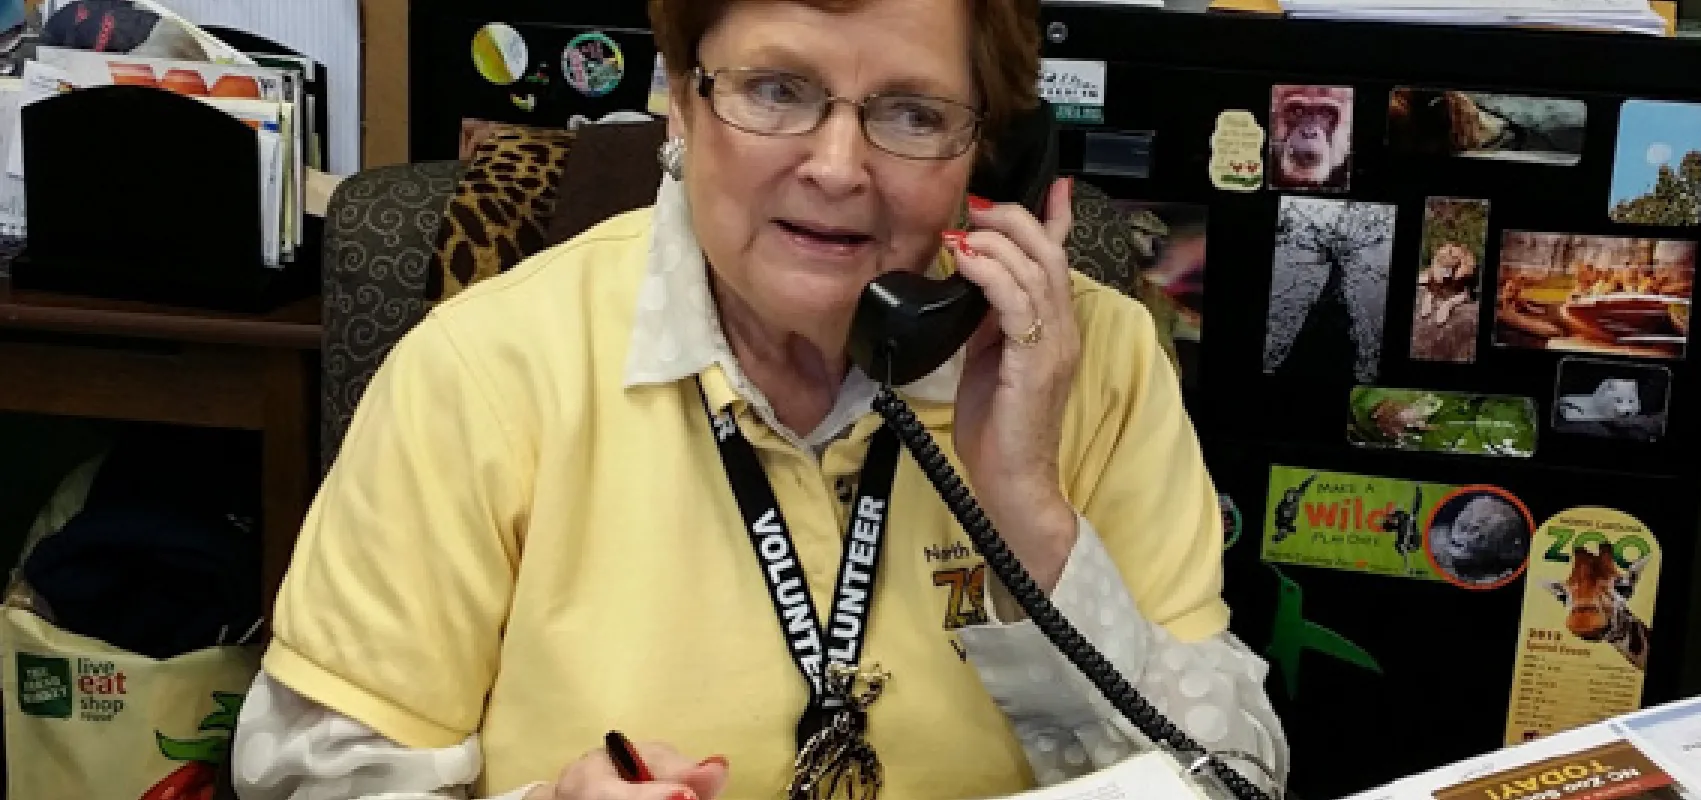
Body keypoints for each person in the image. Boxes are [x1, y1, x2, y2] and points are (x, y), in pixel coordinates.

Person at [231, 0, 1287, 798]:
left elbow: (1236, 777)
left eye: (911, 113)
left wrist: (1032, 512)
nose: (836, 166)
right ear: (683, 104)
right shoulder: (483, 370)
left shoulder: (1095, 362)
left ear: (994, 153)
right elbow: (309, 776)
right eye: (776, 91)